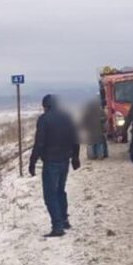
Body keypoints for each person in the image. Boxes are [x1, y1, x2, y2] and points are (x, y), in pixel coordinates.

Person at [29, 94, 81, 237]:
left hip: (51, 162)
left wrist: (32, 162)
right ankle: (64, 220)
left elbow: (39, 143)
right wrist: (75, 157)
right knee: (60, 191)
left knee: (50, 195)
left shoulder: (44, 119)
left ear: (45, 106)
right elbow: (75, 139)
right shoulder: (67, 117)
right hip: (65, 160)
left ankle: (57, 227)